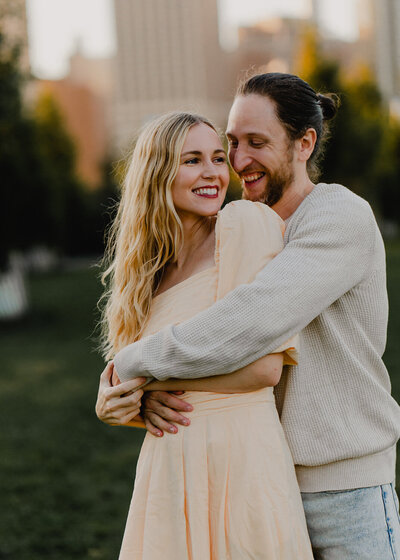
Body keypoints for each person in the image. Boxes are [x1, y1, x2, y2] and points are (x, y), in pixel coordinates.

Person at [102, 73, 400, 559]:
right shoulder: (235, 231)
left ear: (304, 143)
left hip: (344, 492)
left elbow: (254, 321)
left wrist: (137, 367)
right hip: (256, 478)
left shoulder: (337, 216)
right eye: (232, 143)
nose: (238, 162)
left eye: (255, 143)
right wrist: (141, 395)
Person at [96, 111, 313, 559]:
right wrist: (118, 403)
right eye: (192, 160)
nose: (214, 172)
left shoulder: (244, 226)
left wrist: (147, 383)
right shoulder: (146, 273)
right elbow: (138, 378)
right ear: (158, 174)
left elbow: (263, 368)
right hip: (168, 472)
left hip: (240, 461)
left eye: (217, 157)